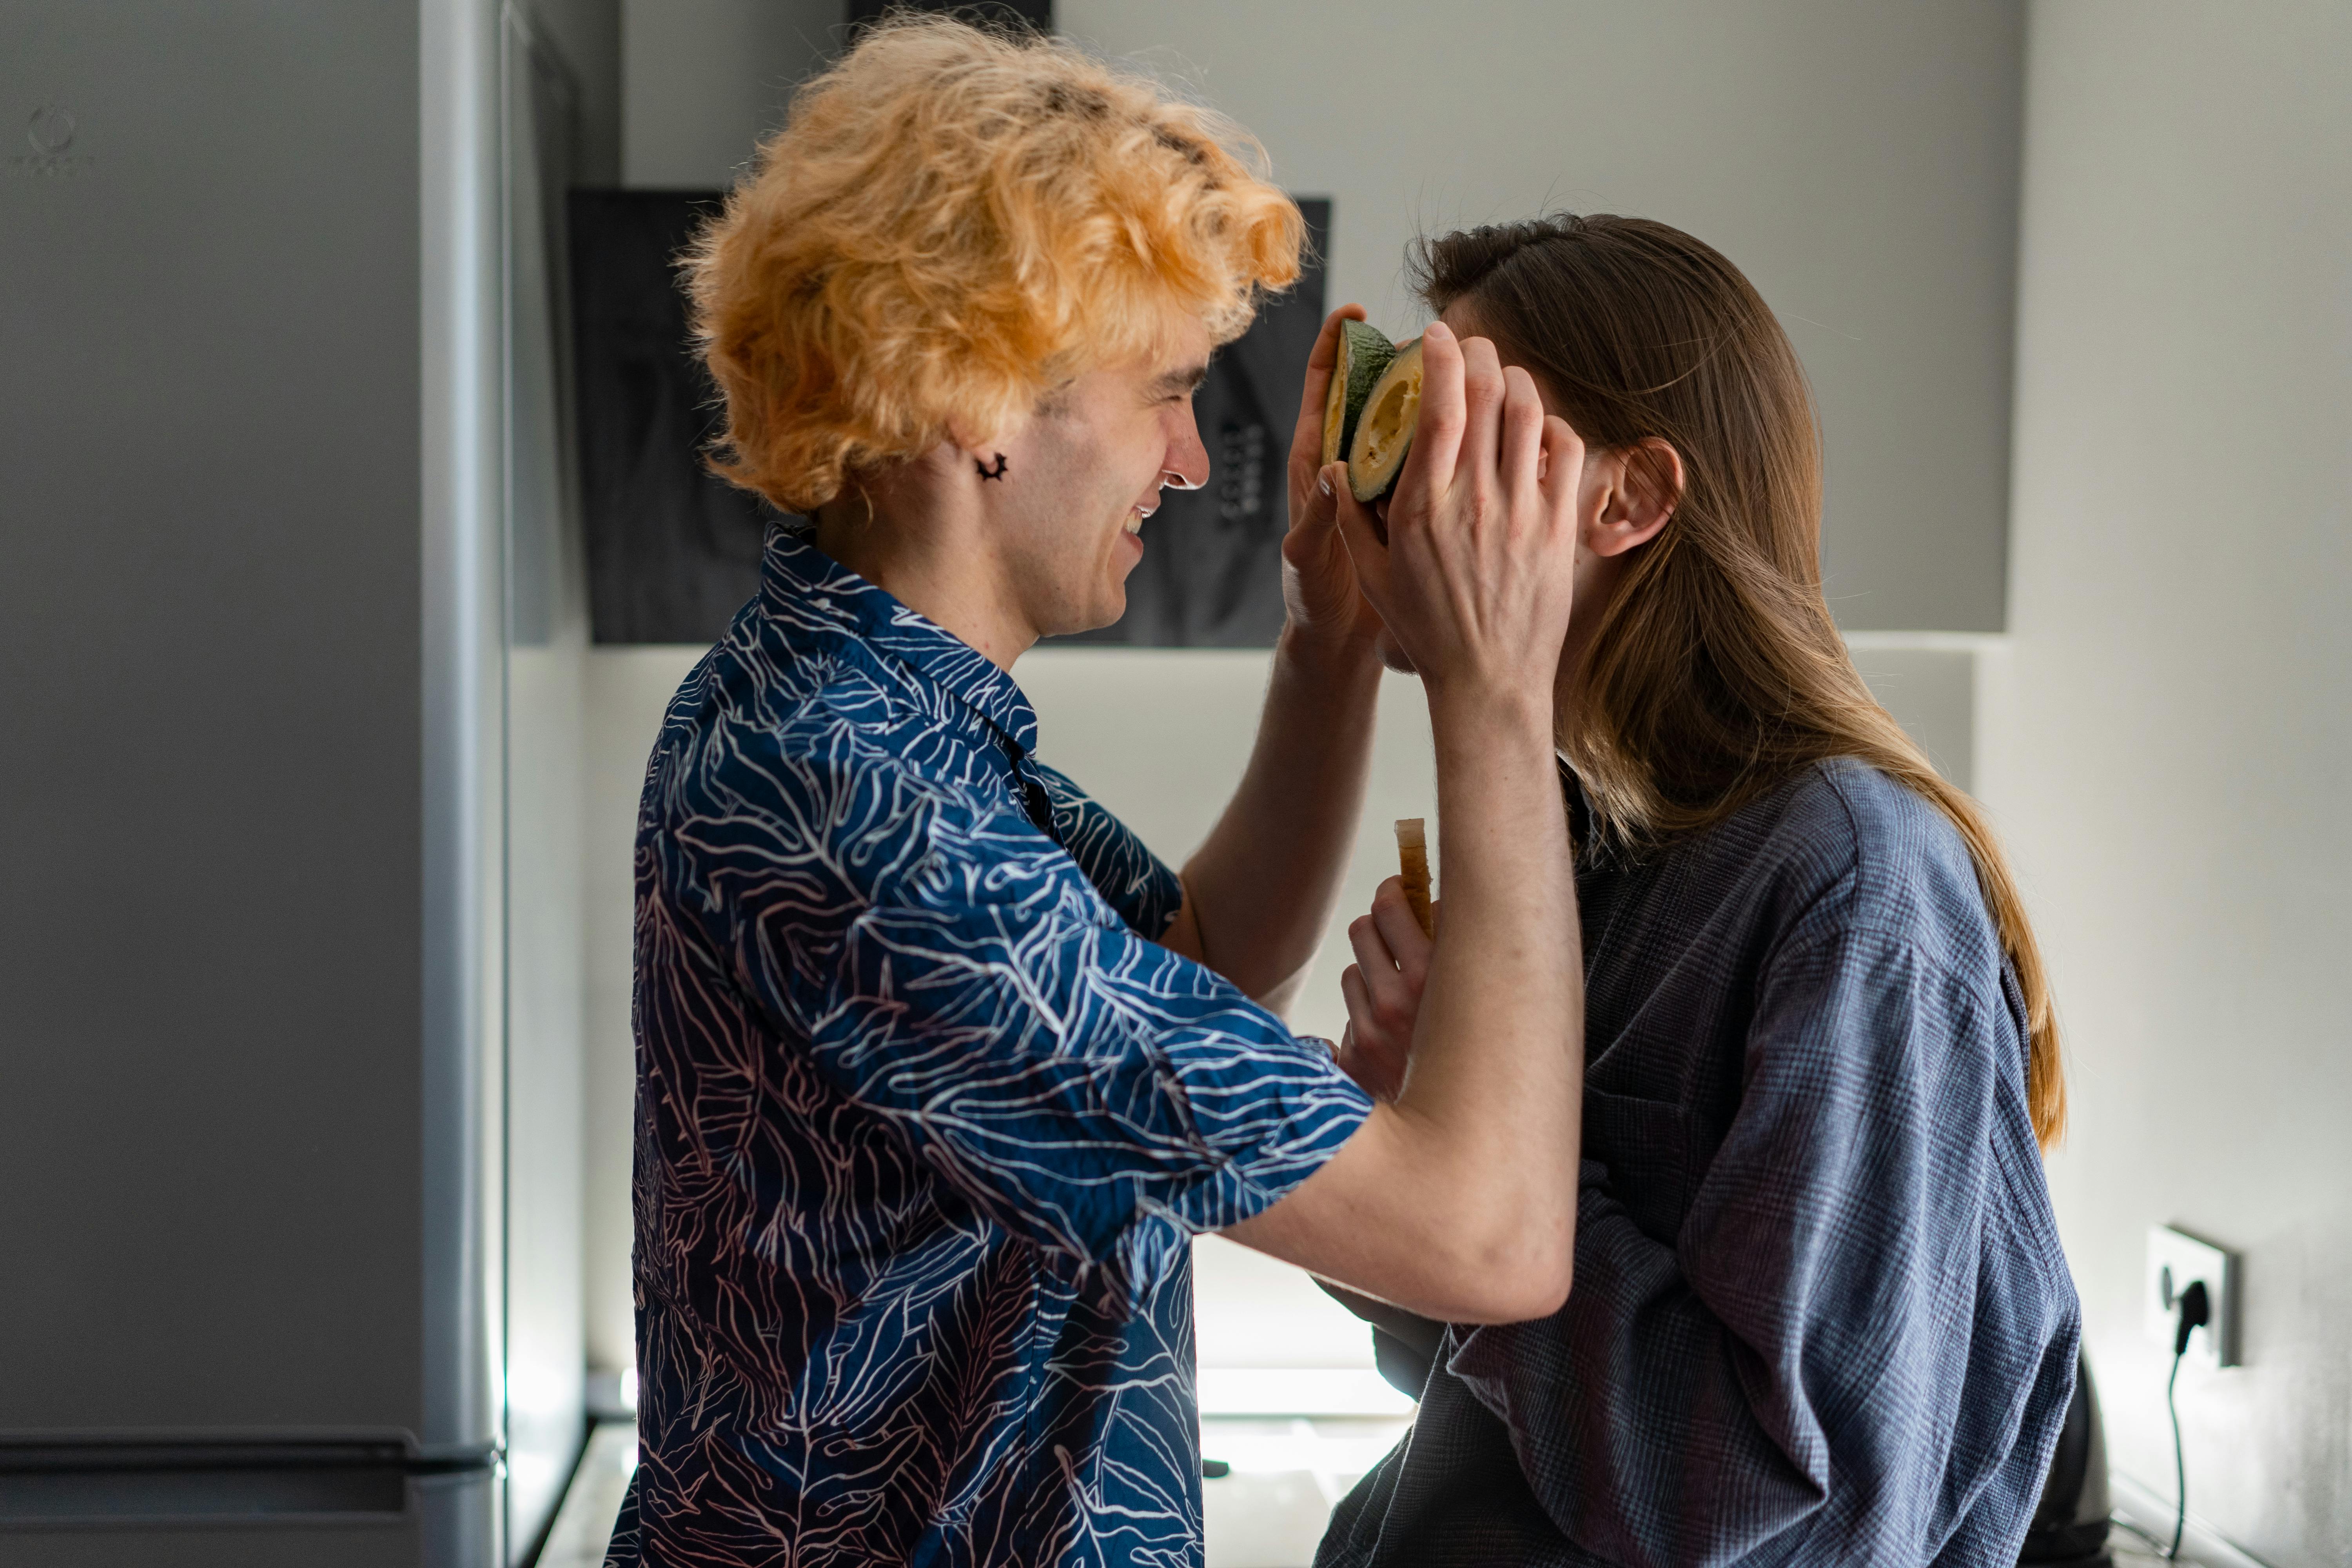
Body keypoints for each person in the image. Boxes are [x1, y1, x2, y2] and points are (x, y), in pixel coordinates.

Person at [606, 20, 1592, 1565]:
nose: (1194, 462)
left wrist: (1330, 647)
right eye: (1164, 392)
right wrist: (1496, 688)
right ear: (978, 403)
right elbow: (1487, 1235)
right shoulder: (864, 815)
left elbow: (1195, 958)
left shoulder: (857, 712)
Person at [1313, 215, 2083, 1567]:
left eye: (1485, 433)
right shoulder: (1575, 839)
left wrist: (1513, 1176)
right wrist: (1401, 1141)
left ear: (1627, 498)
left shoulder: (1853, 883)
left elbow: (1804, 1515)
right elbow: (1478, 1377)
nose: (1421, 480)